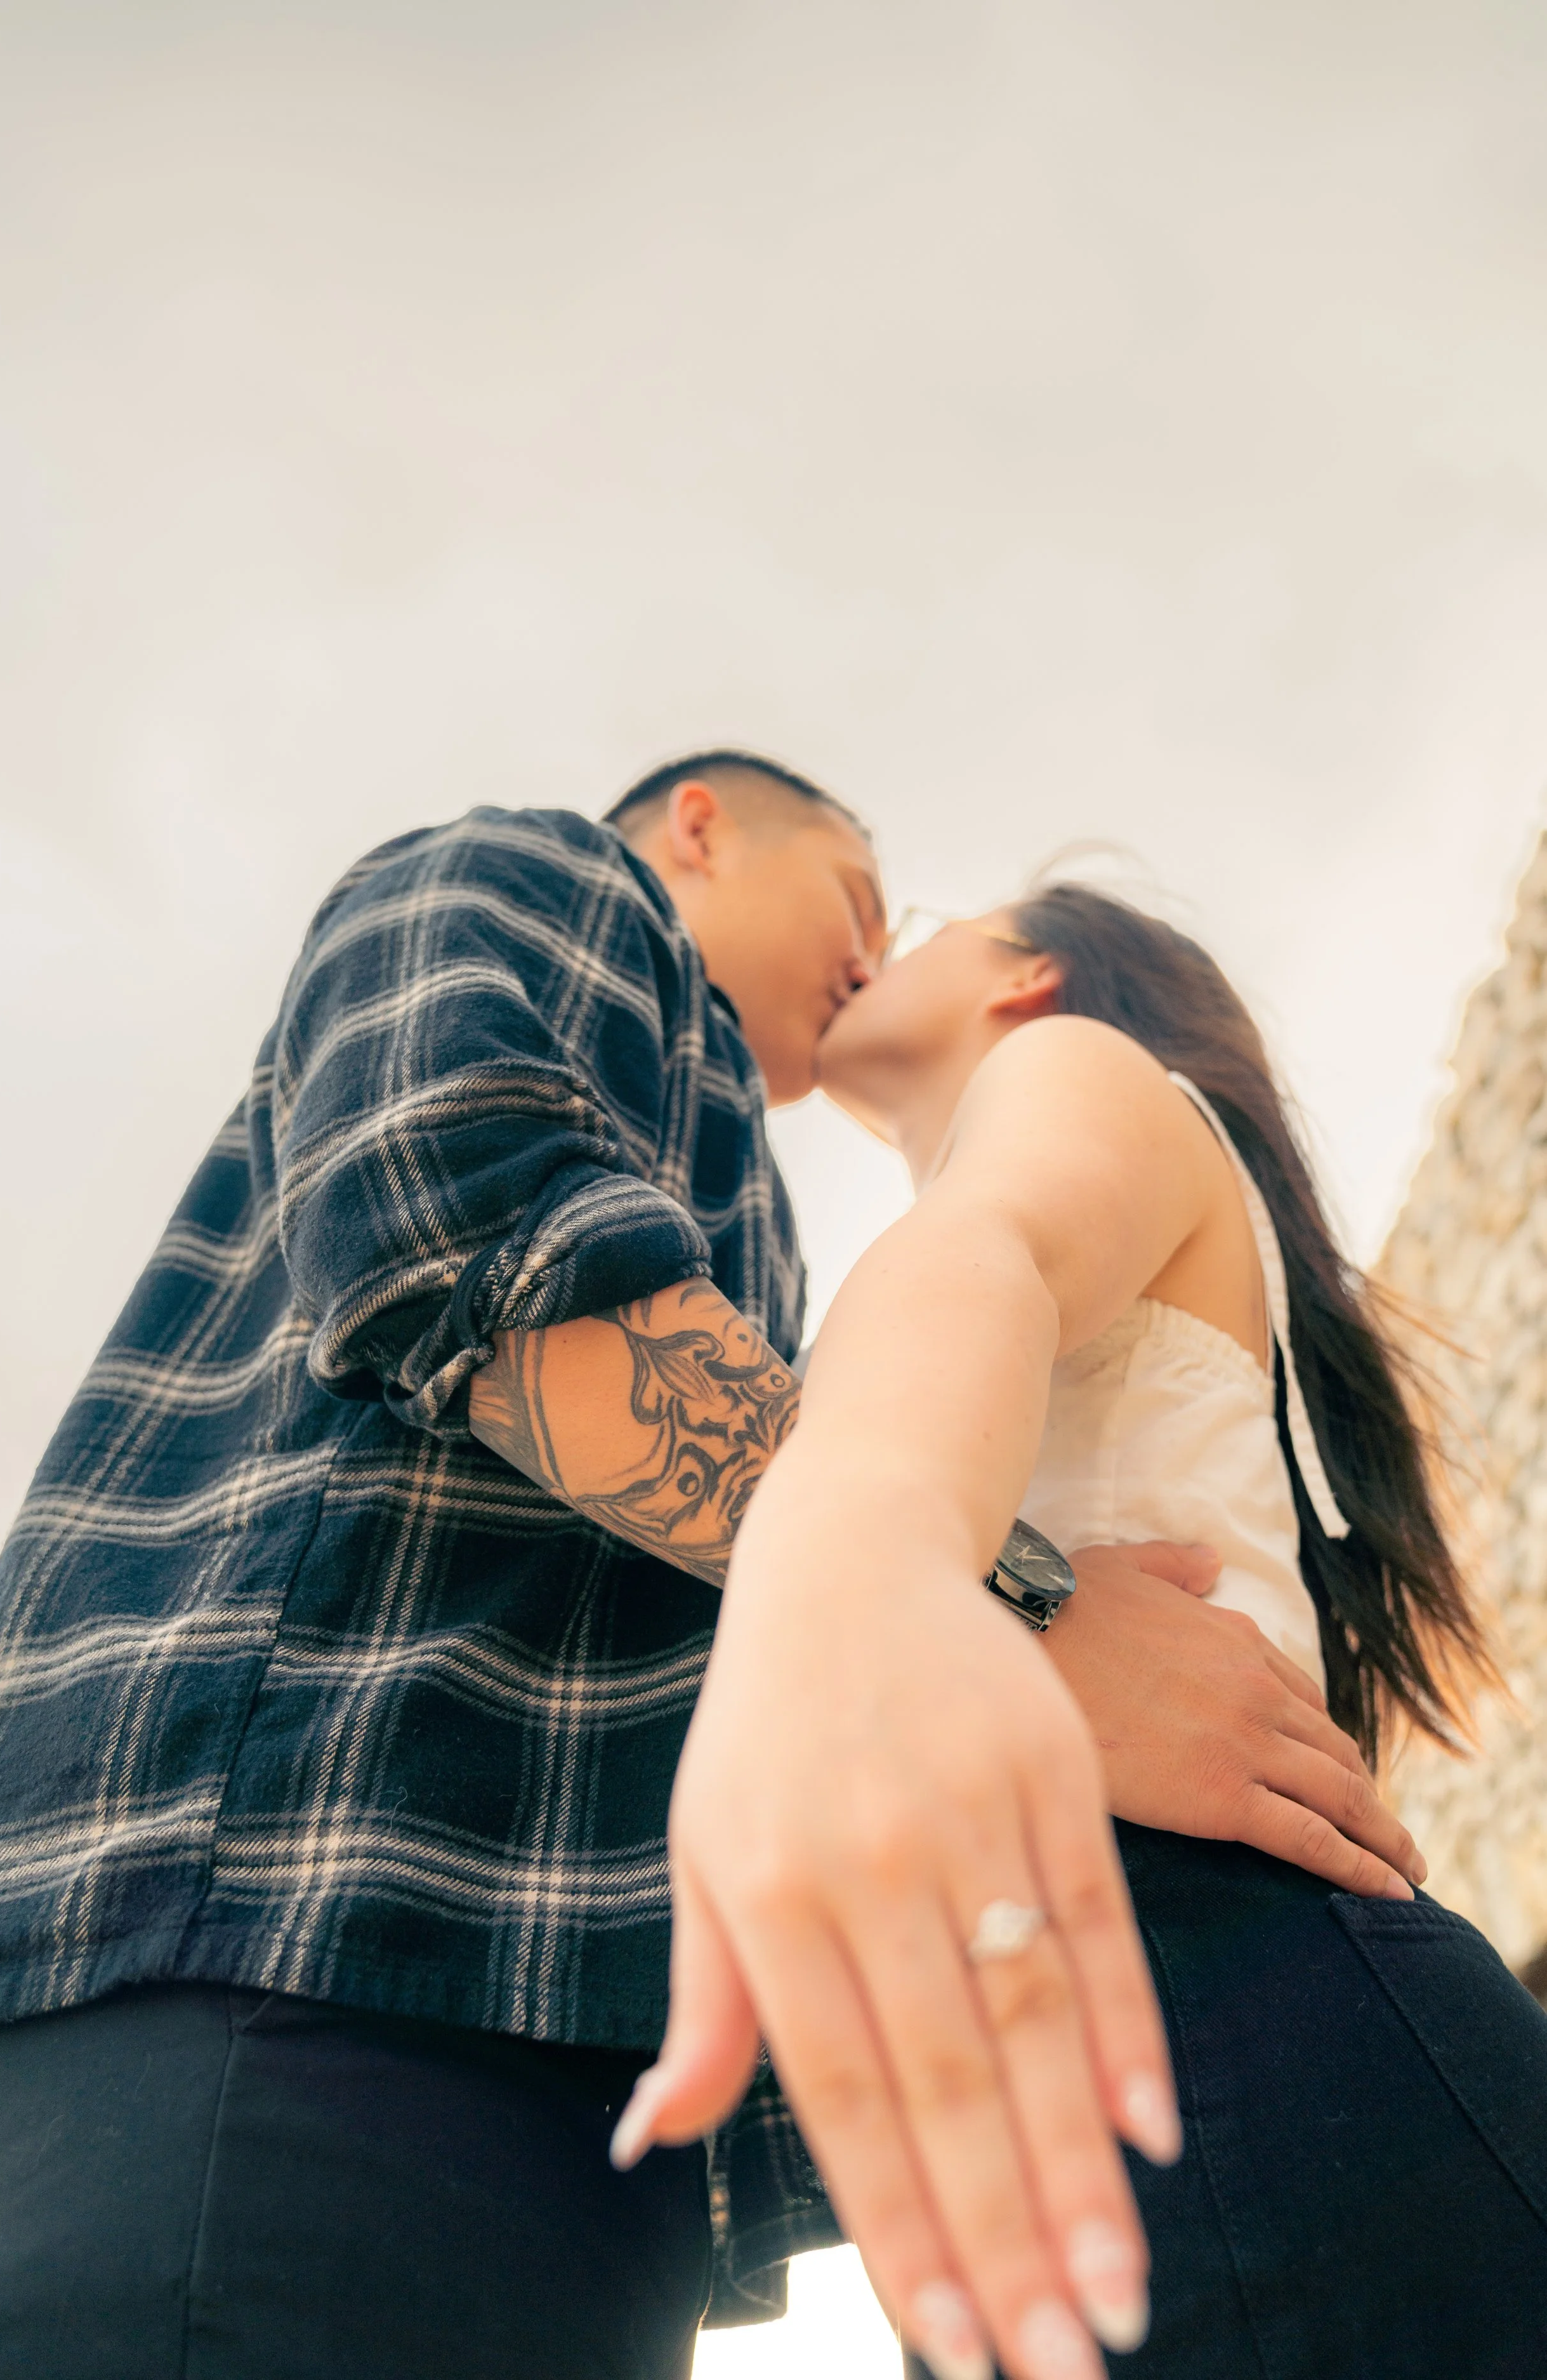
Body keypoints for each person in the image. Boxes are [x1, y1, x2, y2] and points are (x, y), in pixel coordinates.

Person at [0, 757, 1419, 2380]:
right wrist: (1011, 1619)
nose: (875, 948)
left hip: (551, 2056)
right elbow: (446, 1202)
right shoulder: (576, 895)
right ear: (706, 825)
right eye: (864, 896)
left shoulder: (779, 1215)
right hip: (299, 1937)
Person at [642, 881, 1547, 2380]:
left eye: (925, 914)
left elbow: (978, 1252)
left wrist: (846, 1563)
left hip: (1225, 2036)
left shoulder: (1073, 1071)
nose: (881, 937)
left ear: (1031, 975)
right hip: (1103, 2107)